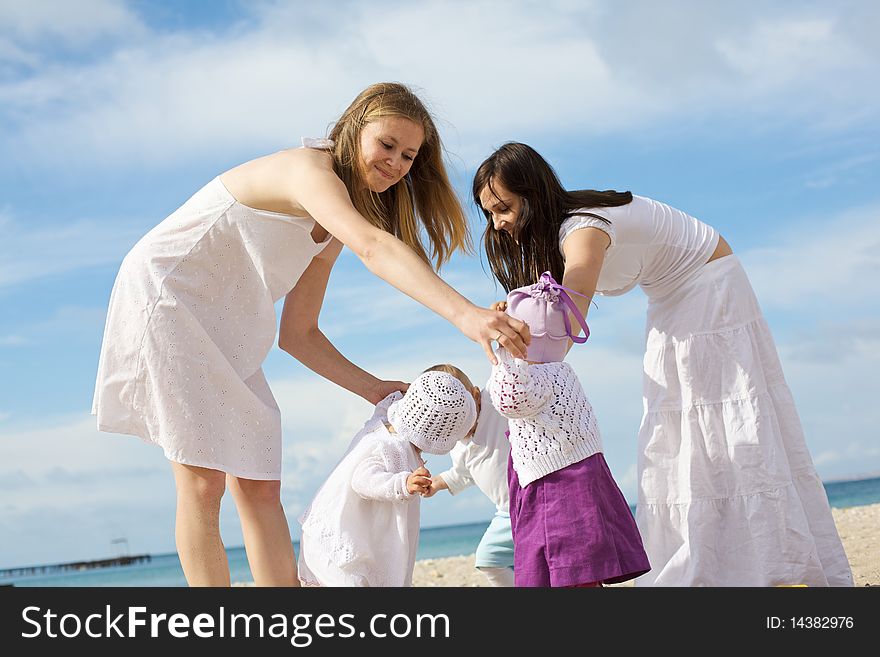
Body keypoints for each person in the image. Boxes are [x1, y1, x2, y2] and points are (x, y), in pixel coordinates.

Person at [91, 83, 529, 588]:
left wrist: (371, 387)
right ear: (352, 127)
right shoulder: (308, 172)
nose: (396, 163)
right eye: (387, 145)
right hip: (169, 296)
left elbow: (298, 333)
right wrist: (466, 314)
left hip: (228, 326)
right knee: (202, 480)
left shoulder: (338, 219)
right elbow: (372, 247)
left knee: (259, 484)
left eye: (409, 156)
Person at [474, 141, 853, 587]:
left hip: (710, 285)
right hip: (670, 295)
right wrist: (511, 319)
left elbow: (563, 330)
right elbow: (546, 315)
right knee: (674, 429)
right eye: (490, 214)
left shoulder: (582, 230)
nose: (498, 223)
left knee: (723, 427)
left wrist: (507, 351)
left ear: (533, 195)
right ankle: (718, 564)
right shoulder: (558, 236)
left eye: (504, 208)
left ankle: (764, 564)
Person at [488, 272, 650, 587]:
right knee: (583, 566)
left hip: (554, 484)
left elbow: (506, 398)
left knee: (563, 562)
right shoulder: (563, 373)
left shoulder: (533, 379)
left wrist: (501, 349)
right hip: (583, 480)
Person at [297, 367, 478, 586]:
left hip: (342, 539)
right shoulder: (389, 445)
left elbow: (385, 408)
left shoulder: (386, 423)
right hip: (343, 549)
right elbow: (363, 479)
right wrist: (402, 483)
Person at [423, 365, 515, 587]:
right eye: (448, 422)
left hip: (535, 500)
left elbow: (505, 370)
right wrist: (438, 483)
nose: (459, 426)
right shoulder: (458, 445)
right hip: (507, 513)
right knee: (488, 559)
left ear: (475, 396)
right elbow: (463, 474)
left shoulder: (495, 404)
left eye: (462, 413)